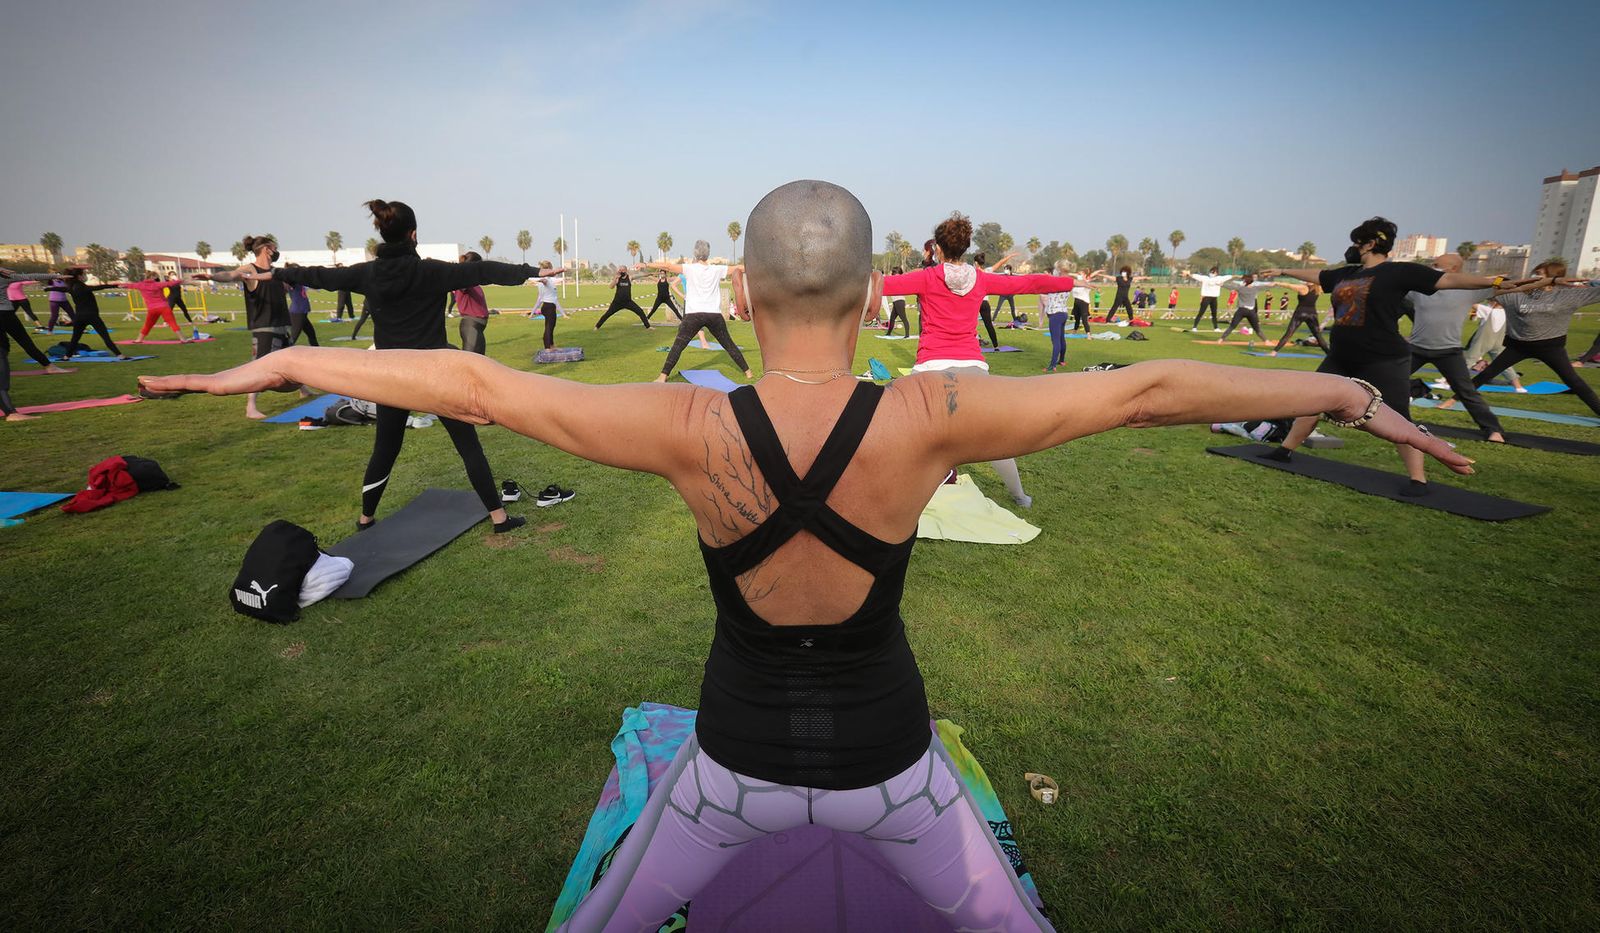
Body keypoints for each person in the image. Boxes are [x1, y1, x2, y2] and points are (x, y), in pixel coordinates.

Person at [141, 180, 1470, 932]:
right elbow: (1142, 388)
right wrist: (1349, 397)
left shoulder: (685, 422)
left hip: (730, 778)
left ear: (749, 295)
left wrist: (279, 361)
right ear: (879, 296)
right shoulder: (930, 416)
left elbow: (471, 385)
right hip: (901, 777)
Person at [232, 199, 564, 531]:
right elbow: (483, 270)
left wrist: (272, 273)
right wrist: (534, 272)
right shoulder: (431, 270)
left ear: (384, 233)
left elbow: (320, 276)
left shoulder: (368, 273)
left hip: (391, 378)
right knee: (467, 444)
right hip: (436, 376)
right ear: (413, 234)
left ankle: (365, 519)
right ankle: (498, 517)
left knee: (386, 450)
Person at [1258, 216, 1506, 495]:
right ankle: (1285, 451)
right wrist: (1281, 270)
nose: (1352, 247)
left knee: (1399, 417)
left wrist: (1493, 280)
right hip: (1341, 356)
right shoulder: (1346, 274)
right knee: (1312, 402)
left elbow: (1447, 279)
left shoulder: (1398, 272)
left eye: (1357, 242)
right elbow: (1318, 276)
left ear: (1371, 244)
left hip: (1383, 357)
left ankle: (1418, 479)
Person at [880, 212, 1079, 509]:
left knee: (905, 433)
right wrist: (1068, 282)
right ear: (965, 247)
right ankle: (1020, 497)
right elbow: (1028, 284)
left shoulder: (926, 277)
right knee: (992, 439)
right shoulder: (980, 279)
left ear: (937, 248)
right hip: (973, 368)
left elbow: (882, 286)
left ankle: (892, 495)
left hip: (931, 368)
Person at [1471, 262, 1600, 416]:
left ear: (1554, 277)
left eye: (1540, 273)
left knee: (1574, 381)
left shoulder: (1568, 295)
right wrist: (1499, 280)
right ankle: (1452, 399)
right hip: (1518, 346)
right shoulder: (1517, 294)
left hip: (1551, 348)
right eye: (1534, 273)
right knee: (1486, 374)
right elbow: (1481, 287)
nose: (1535, 276)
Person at [1402, 253, 1504, 442]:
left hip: (1448, 352)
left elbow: (1502, 285)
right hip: (1415, 349)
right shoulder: (1419, 289)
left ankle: (1493, 429)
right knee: (1388, 380)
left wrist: (1546, 281)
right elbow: (1392, 287)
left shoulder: (1469, 291)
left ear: (1454, 269)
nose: (1432, 267)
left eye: (1436, 264)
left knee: (1467, 392)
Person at [194, 235, 296, 419]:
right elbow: (230, 275)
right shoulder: (250, 269)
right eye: (274, 247)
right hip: (264, 326)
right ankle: (251, 406)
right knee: (259, 367)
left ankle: (303, 390)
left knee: (294, 359)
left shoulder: (274, 272)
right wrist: (211, 276)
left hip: (282, 323)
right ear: (267, 249)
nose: (276, 250)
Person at [641, 241, 755, 383]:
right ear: (708, 254)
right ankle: (748, 372)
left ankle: (663, 376)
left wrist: (646, 265)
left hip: (693, 315)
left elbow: (667, 266)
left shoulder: (689, 268)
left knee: (678, 345)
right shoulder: (716, 269)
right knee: (729, 345)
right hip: (714, 315)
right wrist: (762, 267)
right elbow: (739, 268)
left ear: (695, 253)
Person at [2, 269, 76, 420]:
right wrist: (56, 276)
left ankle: (49, 366)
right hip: (4, 315)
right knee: (22, 342)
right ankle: (11, 413)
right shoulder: (3, 276)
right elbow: (30, 275)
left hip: (5, 314)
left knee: (5, 347)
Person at [55, 267, 130, 360]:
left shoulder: (71, 287)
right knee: (105, 336)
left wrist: (49, 288)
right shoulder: (81, 286)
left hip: (79, 317)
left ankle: (66, 356)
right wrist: (115, 285)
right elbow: (99, 287)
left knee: (75, 338)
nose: (84, 276)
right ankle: (120, 355)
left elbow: (61, 289)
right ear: (79, 276)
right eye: (83, 274)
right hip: (91, 316)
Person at [1457, 299, 1525, 394]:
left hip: (1484, 341)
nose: (1488, 302)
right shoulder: (1507, 311)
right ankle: (1519, 387)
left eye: (1490, 301)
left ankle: (1448, 383)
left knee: (1468, 360)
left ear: (1495, 302)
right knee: (1504, 364)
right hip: (1498, 342)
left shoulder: (1489, 311)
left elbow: (1470, 302)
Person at [123, 272, 194, 344]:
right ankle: (183, 339)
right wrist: (180, 280)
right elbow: (170, 283)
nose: (157, 278)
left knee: (148, 325)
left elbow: (129, 285)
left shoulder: (140, 285)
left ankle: (139, 339)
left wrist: (118, 285)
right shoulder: (158, 284)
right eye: (156, 277)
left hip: (152, 309)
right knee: (173, 323)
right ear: (152, 277)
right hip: (164, 307)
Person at [1268, 281, 1330, 355]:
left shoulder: (1303, 288)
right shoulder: (1318, 288)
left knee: (1289, 333)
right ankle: (1329, 354)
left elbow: (1289, 285)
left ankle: (1274, 352)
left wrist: (1277, 283)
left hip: (1300, 313)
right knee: (1318, 336)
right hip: (1312, 314)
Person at [453, 252, 491, 354]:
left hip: (477, 327)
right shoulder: (464, 280)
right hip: (471, 325)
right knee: (470, 361)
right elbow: (460, 285)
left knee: (480, 361)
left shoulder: (473, 282)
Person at [1214, 274, 1271, 342]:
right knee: (1257, 329)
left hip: (1241, 310)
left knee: (1232, 326)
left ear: (1245, 281)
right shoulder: (1256, 288)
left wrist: (1221, 284)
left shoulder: (1240, 288)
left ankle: (1221, 339)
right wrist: (1277, 284)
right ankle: (1266, 341)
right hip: (1251, 311)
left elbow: (1229, 286)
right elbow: (1268, 286)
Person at [1041, 260, 1074, 371]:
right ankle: (1062, 360)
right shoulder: (1069, 281)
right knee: (1061, 339)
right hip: (1063, 313)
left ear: (1059, 270)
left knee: (1056, 341)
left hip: (1055, 314)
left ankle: (1052, 365)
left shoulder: (1056, 281)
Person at [532, 261, 563, 350]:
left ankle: (551, 345)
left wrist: (533, 311)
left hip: (547, 306)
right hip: (549, 307)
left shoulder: (547, 281)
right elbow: (545, 281)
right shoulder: (546, 280)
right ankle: (547, 348)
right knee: (549, 328)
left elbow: (539, 298)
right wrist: (541, 280)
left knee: (551, 327)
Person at [286, 280, 319, 346]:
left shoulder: (298, 280)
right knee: (293, 338)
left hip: (302, 312)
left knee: (311, 334)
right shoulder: (292, 281)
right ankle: (282, 353)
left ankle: (316, 350)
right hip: (298, 312)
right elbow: (288, 281)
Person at [884, 267, 912, 337]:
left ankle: (907, 335)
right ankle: (888, 333)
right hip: (896, 302)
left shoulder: (899, 280)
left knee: (903, 318)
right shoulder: (894, 279)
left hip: (899, 301)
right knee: (892, 318)